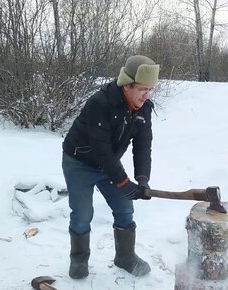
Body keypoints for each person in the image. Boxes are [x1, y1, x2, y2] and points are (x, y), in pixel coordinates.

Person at [62, 55, 160, 279]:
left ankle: (125, 257)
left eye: (151, 89)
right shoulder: (100, 103)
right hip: (79, 162)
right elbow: (101, 149)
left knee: (125, 208)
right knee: (82, 214)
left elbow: (143, 146)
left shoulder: (143, 109)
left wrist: (143, 179)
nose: (147, 95)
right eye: (143, 89)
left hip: (109, 165)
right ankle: (78, 260)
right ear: (127, 85)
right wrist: (124, 182)